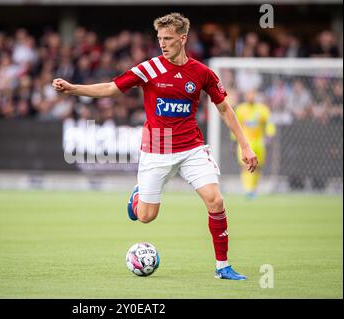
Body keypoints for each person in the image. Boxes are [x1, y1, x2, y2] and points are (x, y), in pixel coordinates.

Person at [53, 13, 258, 280]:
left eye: (168, 38)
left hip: (191, 149)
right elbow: (112, 88)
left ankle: (223, 267)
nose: (162, 43)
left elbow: (224, 108)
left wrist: (246, 146)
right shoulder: (149, 69)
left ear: (182, 39)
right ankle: (137, 198)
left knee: (215, 201)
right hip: (157, 149)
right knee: (146, 217)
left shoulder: (202, 73)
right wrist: (72, 88)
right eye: (160, 38)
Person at [233, 90, 276, 199]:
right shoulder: (240, 109)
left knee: (258, 166)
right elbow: (235, 124)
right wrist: (234, 139)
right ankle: (248, 189)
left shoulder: (262, 109)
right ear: (245, 96)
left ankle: (254, 189)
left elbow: (269, 122)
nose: (250, 97)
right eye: (248, 94)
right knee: (245, 165)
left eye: (252, 95)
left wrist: (270, 134)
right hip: (245, 142)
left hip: (259, 141)